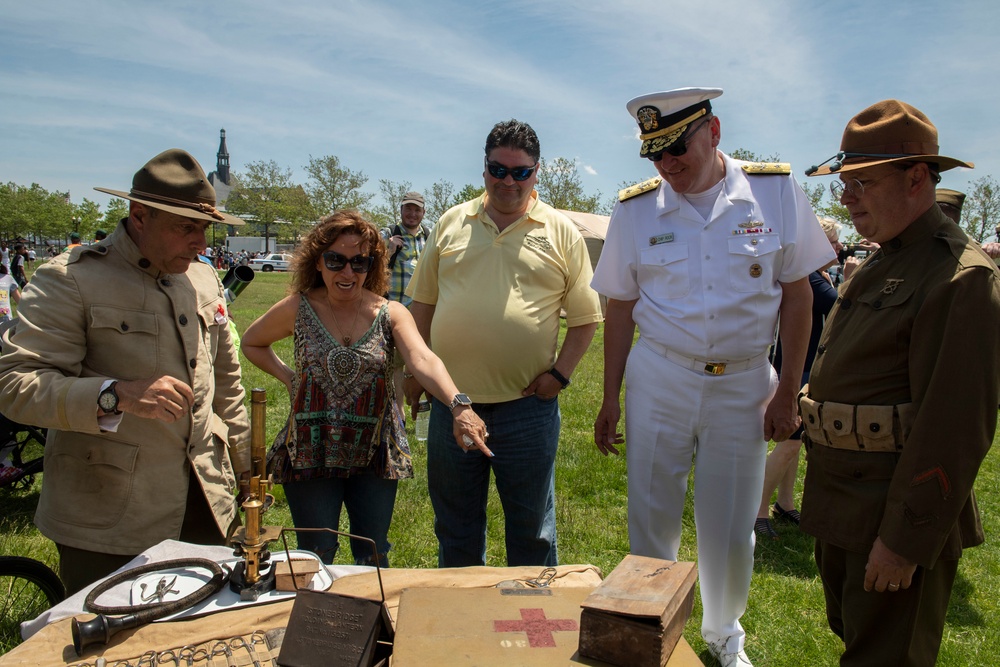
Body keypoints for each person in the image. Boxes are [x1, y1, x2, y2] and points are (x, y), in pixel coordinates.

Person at [591, 88, 835, 667]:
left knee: (729, 525)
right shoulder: (636, 209)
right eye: (656, 155)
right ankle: (652, 622)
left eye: (679, 151)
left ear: (715, 132)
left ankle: (725, 633)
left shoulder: (774, 192)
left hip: (746, 382)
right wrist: (610, 397)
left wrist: (788, 390)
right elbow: (619, 308)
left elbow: (798, 298)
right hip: (661, 375)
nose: (668, 166)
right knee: (652, 511)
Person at [800, 99, 1000, 666]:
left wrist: (905, 542)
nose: (845, 196)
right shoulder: (888, 259)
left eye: (861, 181)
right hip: (845, 505)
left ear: (917, 178)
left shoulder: (959, 278)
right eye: (845, 183)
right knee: (860, 644)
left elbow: (955, 429)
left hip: (890, 518)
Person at [0, 148, 251, 595]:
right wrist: (116, 395)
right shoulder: (72, 279)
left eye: (205, 228)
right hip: (108, 516)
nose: (201, 244)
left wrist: (247, 466)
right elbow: (15, 386)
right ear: (139, 215)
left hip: (207, 501)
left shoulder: (205, 278)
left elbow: (225, 379)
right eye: (185, 227)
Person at [405, 119, 602, 568]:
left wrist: (560, 375)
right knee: (455, 528)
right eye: (498, 169)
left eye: (520, 172)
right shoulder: (452, 222)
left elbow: (588, 319)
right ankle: (462, 626)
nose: (508, 181)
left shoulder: (562, 230)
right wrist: (413, 372)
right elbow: (422, 307)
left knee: (532, 532)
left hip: (525, 411)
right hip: (450, 405)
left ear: (537, 172)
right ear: (484, 168)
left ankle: (535, 630)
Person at [241, 210, 488, 566]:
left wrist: (459, 405)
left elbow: (422, 359)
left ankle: (371, 620)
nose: (347, 272)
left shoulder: (390, 312)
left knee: (372, 552)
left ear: (372, 266)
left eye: (359, 262)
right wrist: (288, 376)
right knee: (316, 554)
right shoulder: (298, 307)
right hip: (312, 447)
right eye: (335, 260)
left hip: (374, 450)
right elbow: (251, 342)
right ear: (318, 262)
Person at [755, 216, 841, 541]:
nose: (837, 247)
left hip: (804, 365)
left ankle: (785, 502)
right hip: (799, 370)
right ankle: (758, 509)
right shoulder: (811, 277)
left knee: (795, 441)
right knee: (790, 444)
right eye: (832, 241)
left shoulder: (818, 275)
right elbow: (839, 310)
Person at [380, 191, 432, 415]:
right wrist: (387, 249)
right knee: (395, 364)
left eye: (417, 209)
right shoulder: (387, 234)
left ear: (423, 212)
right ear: (401, 210)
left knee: (425, 357)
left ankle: (425, 408)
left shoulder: (430, 235)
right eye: (408, 209)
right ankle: (398, 413)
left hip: (421, 307)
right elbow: (367, 260)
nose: (412, 213)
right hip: (394, 306)